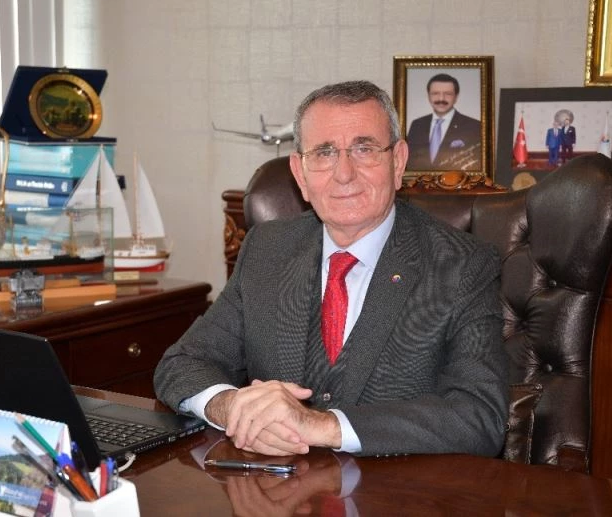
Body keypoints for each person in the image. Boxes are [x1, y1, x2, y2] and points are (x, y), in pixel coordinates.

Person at [154, 80, 508, 459]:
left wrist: (322, 425)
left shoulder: (463, 265)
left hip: (394, 486)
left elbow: (480, 416)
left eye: (364, 149)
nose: (344, 173)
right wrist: (232, 406)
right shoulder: (266, 250)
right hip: (275, 485)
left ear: (398, 161)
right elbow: (182, 363)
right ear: (300, 173)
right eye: (324, 153)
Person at [405, 73, 482, 171]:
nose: (441, 99)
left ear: (456, 97)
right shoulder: (417, 125)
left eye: (448, 94)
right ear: (428, 96)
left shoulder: (474, 126)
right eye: (435, 93)